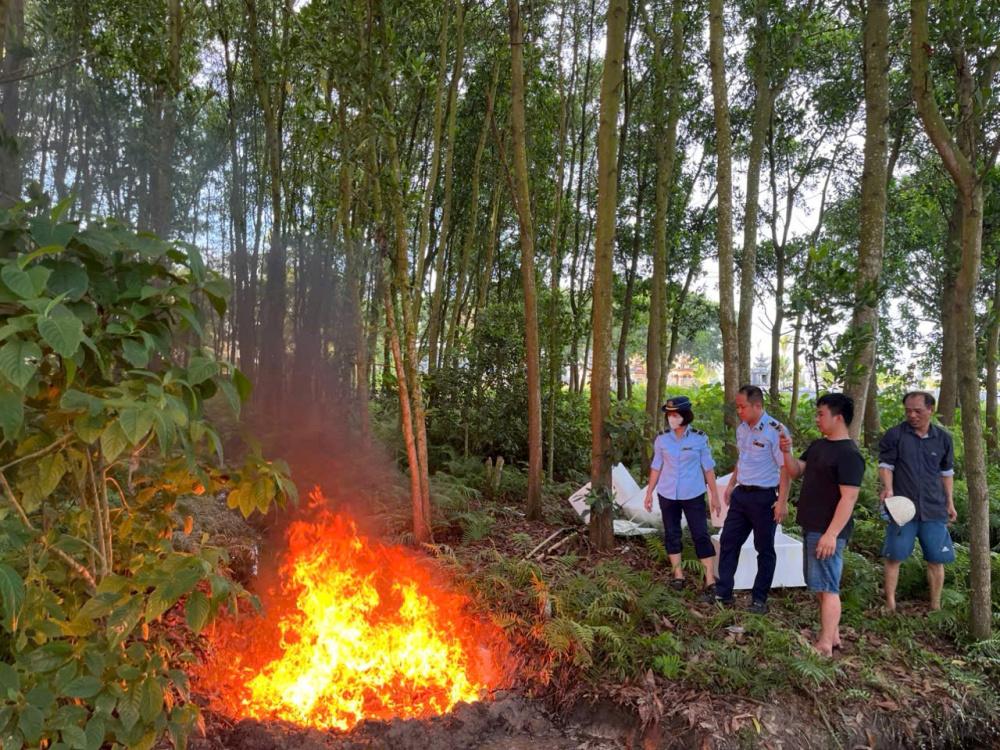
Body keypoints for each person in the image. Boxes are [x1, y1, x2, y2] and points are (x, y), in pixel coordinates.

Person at [779, 393, 865, 657]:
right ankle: (834, 634)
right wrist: (786, 452)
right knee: (819, 584)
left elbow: (849, 498)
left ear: (838, 417)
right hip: (812, 526)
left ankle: (825, 644)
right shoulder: (818, 446)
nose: (817, 419)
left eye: (821, 414)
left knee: (828, 586)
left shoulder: (850, 454)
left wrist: (831, 534)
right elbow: (795, 470)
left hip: (829, 531)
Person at [704, 385, 790, 615]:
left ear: (757, 406)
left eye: (743, 407)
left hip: (764, 497)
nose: (739, 411)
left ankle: (759, 599)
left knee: (764, 548)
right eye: (737, 407)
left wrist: (782, 501)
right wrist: (731, 484)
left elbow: (785, 469)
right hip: (742, 495)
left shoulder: (776, 431)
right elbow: (742, 459)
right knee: (729, 542)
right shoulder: (742, 429)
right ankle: (724, 592)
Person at [878, 391, 956, 611]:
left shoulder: (943, 439)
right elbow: (886, 466)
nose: (912, 415)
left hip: (934, 508)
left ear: (930, 410)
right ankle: (890, 604)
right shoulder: (895, 435)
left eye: (918, 411)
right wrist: (889, 489)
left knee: (936, 559)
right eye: (908, 411)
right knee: (894, 555)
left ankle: (935, 606)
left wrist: (949, 502)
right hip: (902, 508)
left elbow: (947, 473)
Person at [643, 396, 722, 592]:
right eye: (669, 414)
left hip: (693, 493)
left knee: (700, 534)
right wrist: (649, 492)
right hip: (667, 493)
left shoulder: (699, 438)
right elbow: (656, 466)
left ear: (685, 416)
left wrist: (714, 495)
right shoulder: (661, 439)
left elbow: (708, 468)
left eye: (675, 414)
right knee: (672, 533)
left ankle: (710, 579)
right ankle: (678, 575)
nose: (672, 418)